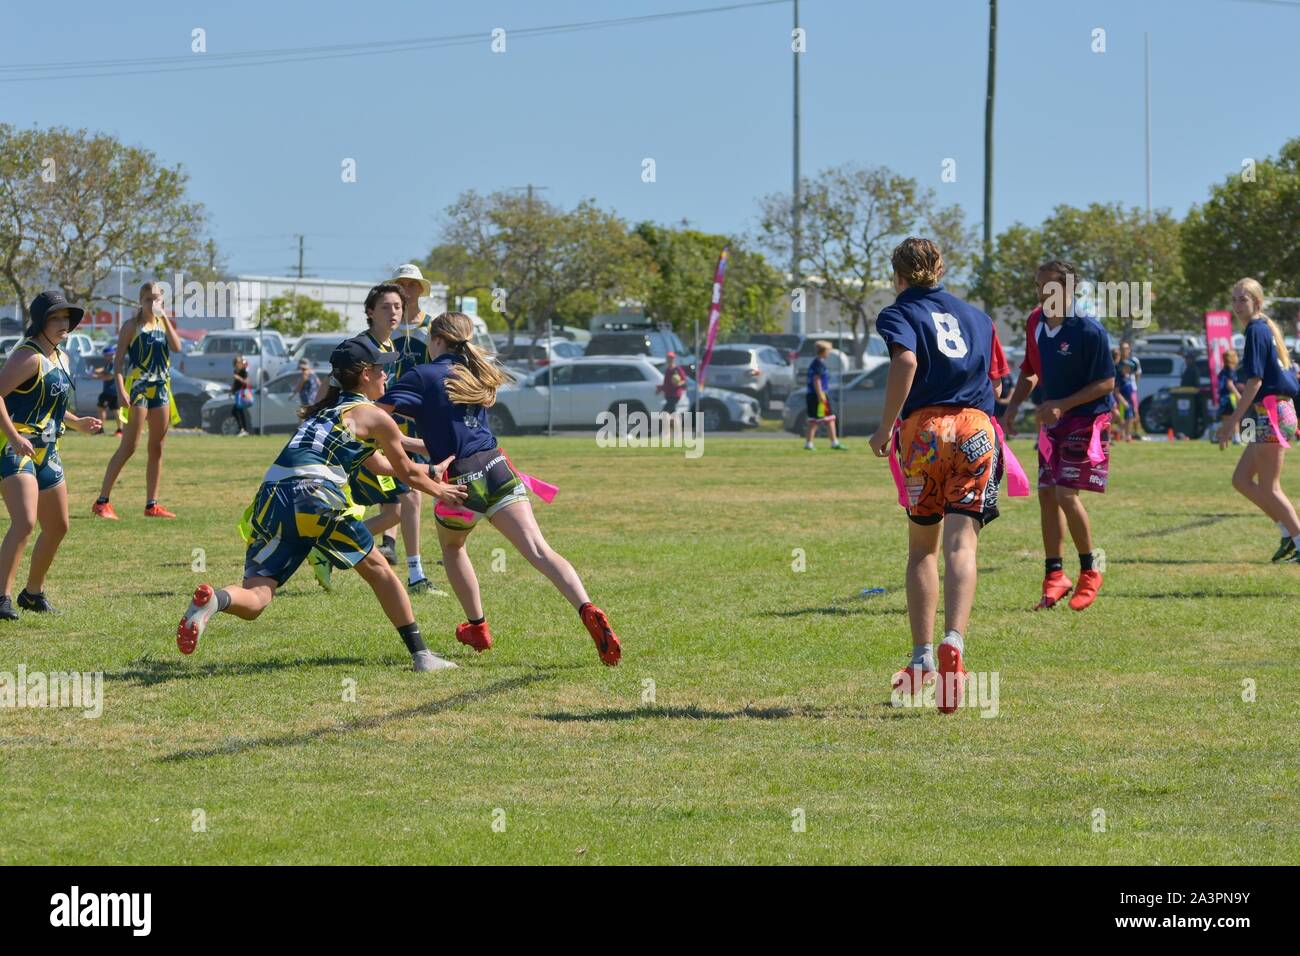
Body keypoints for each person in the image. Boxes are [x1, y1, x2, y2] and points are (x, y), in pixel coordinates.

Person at [176, 335, 469, 671]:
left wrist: (431, 468)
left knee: (257, 598)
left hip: (272, 494)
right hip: (315, 493)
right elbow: (407, 474)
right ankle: (422, 655)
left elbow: (381, 464)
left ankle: (215, 600)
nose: (386, 376)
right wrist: (442, 490)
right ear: (364, 374)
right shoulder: (375, 416)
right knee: (380, 570)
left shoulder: (325, 412)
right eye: (380, 370)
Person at [377, 311, 622, 666]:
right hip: (498, 467)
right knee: (541, 551)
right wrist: (414, 443)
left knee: (453, 546)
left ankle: (477, 626)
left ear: (437, 341)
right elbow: (449, 430)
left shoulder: (422, 375)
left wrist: (392, 439)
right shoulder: (474, 372)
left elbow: (374, 415)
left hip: (462, 480)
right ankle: (587, 607)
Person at [869, 238, 1007, 713]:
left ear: (898, 275)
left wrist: (886, 425)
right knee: (961, 546)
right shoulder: (978, 317)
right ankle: (955, 643)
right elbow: (996, 377)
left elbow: (906, 360)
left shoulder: (896, 313)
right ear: (941, 268)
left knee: (921, 550)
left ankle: (922, 658)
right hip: (975, 426)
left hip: (925, 429)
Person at [1000, 260, 1115, 611]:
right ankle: (1055, 575)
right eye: (1038, 285)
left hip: (1087, 420)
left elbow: (1107, 383)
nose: (1041, 292)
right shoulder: (1035, 322)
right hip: (1054, 421)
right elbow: (1030, 371)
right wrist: (1012, 407)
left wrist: (1062, 404)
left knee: (1066, 493)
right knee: (1047, 495)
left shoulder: (1089, 330)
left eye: (1049, 285)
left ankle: (1090, 571)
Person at [0, 291, 103, 620]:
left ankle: (33, 593)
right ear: (40, 322)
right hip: (16, 448)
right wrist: (14, 437)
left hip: (48, 451)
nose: (64, 325)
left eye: (67, 319)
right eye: (56, 318)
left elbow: (54, 410)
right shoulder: (28, 356)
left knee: (58, 526)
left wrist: (78, 423)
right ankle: (1, 597)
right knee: (25, 521)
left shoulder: (61, 358)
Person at [305, 285, 411, 591]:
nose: (394, 313)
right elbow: (331, 383)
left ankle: (328, 548)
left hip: (378, 438)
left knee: (394, 513)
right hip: (358, 443)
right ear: (369, 312)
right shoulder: (360, 347)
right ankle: (413, 573)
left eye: (397, 307)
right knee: (400, 508)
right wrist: (315, 414)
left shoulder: (394, 347)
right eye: (386, 307)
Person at [1215, 278, 1300, 563]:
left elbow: (1254, 381)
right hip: (1270, 413)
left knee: (1270, 487)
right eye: (1235, 298)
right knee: (1241, 479)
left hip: (1272, 414)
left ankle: (1298, 539)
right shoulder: (1262, 328)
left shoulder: (1255, 330)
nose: (1237, 304)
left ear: (1257, 303)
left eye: (1243, 299)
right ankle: (1288, 533)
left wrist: (1232, 422)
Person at [92, 281, 182, 519]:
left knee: (157, 447)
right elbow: (118, 363)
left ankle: (152, 504)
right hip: (139, 389)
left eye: (157, 299)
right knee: (129, 446)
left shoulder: (164, 324)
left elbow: (177, 347)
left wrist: (166, 320)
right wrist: (121, 389)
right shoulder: (131, 326)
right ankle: (102, 502)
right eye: (148, 299)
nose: (153, 303)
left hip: (161, 389)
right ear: (140, 302)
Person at [387, 264, 444, 595]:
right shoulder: (384, 327)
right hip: (385, 415)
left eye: (412, 284)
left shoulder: (431, 328)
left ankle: (415, 572)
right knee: (391, 494)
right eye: (401, 284)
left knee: (411, 491)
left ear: (421, 290)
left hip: (415, 417)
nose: (406, 289)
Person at [804, 341, 845, 450]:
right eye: (828, 351)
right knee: (821, 419)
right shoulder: (818, 364)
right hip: (818, 395)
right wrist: (821, 395)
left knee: (823, 419)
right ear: (824, 351)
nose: (829, 353)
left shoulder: (816, 362)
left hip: (814, 395)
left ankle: (829, 442)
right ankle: (830, 443)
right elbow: (816, 380)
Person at [1115, 341, 1141, 442]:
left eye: (1126, 348)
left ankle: (1133, 433)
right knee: (1122, 415)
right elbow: (1116, 389)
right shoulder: (1118, 365)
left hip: (1131, 391)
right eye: (1122, 348)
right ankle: (1121, 434)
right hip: (1121, 394)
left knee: (1133, 413)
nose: (1124, 350)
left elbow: (1138, 374)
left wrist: (1135, 387)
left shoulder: (1133, 361)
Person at [93, 345, 122, 436]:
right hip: (107, 391)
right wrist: (95, 371)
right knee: (101, 407)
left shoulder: (114, 363)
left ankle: (120, 430)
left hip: (113, 392)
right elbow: (104, 370)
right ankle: (101, 428)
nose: (106, 356)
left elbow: (110, 376)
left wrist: (96, 377)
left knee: (116, 410)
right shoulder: (109, 363)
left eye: (108, 355)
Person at [1216, 349, 1243, 443]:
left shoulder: (1223, 371)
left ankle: (1220, 436)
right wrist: (1238, 395)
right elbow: (1229, 384)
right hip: (1229, 397)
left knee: (1226, 419)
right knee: (1235, 417)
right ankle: (1236, 438)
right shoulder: (1231, 370)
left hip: (1222, 397)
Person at [657, 351, 689, 418]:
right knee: (671, 411)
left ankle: (659, 426)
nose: (669, 359)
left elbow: (684, 380)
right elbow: (666, 383)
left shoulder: (677, 369)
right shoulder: (667, 369)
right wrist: (661, 388)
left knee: (665, 411)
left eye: (671, 358)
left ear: (674, 359)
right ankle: (674, 425)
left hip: (675, 394)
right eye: (668, 358)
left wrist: (678, 383)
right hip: (669, 394)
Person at [231, 355, 253, 437]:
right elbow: (235, 384)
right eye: (236, 363)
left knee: (237, 411)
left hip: (242, 394)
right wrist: (231, 391)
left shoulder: (244, 372)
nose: (238, 364)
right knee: (238, 411)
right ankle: (243, 430)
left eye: (239, 362)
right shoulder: (235, 371)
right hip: (237, 394)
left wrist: (238, 378)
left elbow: (246, 382)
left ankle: (243, 429)